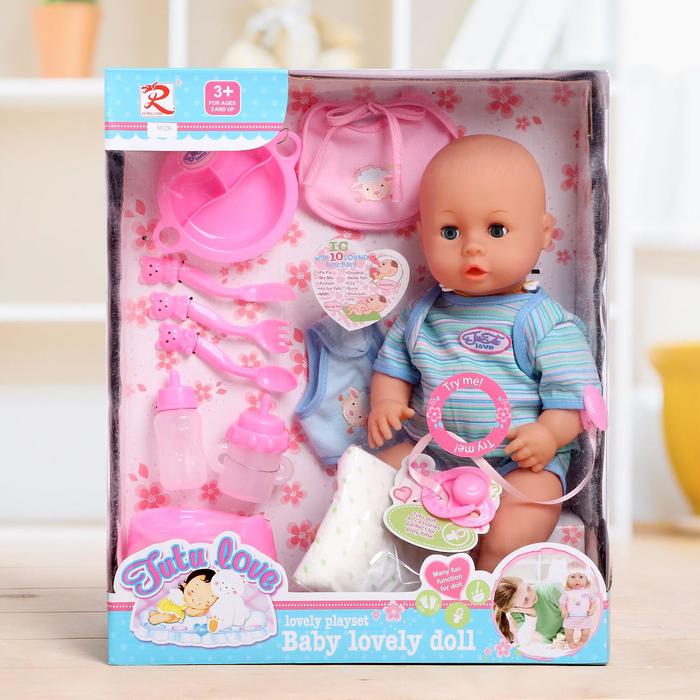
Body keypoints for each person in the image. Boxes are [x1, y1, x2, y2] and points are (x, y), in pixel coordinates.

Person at [367, 135, 601, 571]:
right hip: (432, 454)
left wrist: (548, 435)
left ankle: (488, 577)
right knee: (372, 480)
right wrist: (386, 403)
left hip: (517, 463)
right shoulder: (422, 315)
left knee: (520, 520)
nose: (472, 247)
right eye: (450, 232)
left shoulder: (544, 322)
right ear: (422, 235)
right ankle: (385, 572)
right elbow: (393, 368)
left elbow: (573, 398)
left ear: (544, 233)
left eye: (496, 230)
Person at [493, 575, 564, 644]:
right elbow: (524, 641)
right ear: (514, 608)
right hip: (553, 641)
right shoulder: (517, 613)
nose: (531, 595)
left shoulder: (549, 590)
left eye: (528, 588)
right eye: (525, 600)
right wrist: (531, 616)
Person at [147, 568, 218, 625]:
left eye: (207, 601)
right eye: (192, 591)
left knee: (170, 615)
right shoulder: (183, 600)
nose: (197, 600)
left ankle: (154, 614)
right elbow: (190, 612)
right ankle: (156, 619)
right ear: (185, 584)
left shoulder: (180, 596)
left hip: (163, 603)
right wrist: (204, 610)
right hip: (170, 606)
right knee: (174, 617)